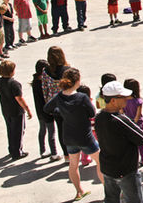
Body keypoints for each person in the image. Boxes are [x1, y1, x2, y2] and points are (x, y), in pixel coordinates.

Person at [43, 67, 103, 201]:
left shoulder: (59, 97)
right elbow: (92, 113)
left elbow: (47, 108)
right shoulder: (81, 97)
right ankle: (109, 189)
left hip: (69, 137)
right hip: (85, 137)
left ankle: (79, 191)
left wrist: (61, 112)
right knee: (100, 162)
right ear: (76, 81)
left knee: (73, 165)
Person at [95, 81, 143, 203]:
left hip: (108, 168)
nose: (127, 99)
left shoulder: (99, 117)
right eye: (123, 97)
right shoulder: (120, 120)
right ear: (113, 100)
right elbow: (140, 138)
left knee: (111, 199)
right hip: (125, 170)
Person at [0, 60, 32, 160]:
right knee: (18, 131)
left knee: (10, 130)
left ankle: (12, 149)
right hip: (16, 111)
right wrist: (27, 109)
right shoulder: (15, 84)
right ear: (11, 71)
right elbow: (19, 99)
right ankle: (17, 152)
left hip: (5, 109)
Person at [41, 46, 71, 160]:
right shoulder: (67, 70)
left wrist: (48, 102)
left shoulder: (46, 71)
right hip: (67, 102)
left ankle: (66, 155)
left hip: (54, 104)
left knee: (60, 129)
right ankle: (73, 152)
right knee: (70, 128)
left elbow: (44, 88)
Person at [32, 60, 61, 161]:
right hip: (46, 110)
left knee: (42, 130)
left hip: (39, 110)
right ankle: (54, 153)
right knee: (51, 132)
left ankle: (42, 150)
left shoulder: (35, 81)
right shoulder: (43, 83)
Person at [122, 79, 143, 167]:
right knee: (140, 143)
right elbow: (138, 114)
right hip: (138, 124)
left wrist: (128, 123)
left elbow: (122, 113)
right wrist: (134, 123)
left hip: (127, 124)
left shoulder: (123, 101)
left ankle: (133, 161)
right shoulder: (138, 101)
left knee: (130, 145)